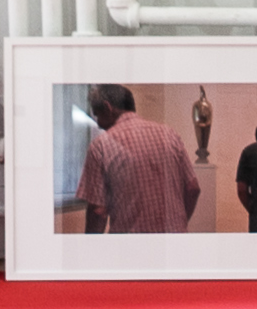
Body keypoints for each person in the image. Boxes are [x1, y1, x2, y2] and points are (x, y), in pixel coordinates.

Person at [60, 82, 199, 236]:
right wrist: (178, 223)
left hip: (130, 247)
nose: (98, 124)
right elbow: (192, 188)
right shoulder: (169, 134)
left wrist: (92, 247)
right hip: (174, 243)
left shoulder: (100, 146)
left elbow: (98, 212)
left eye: (97, 115)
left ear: (107, 107)